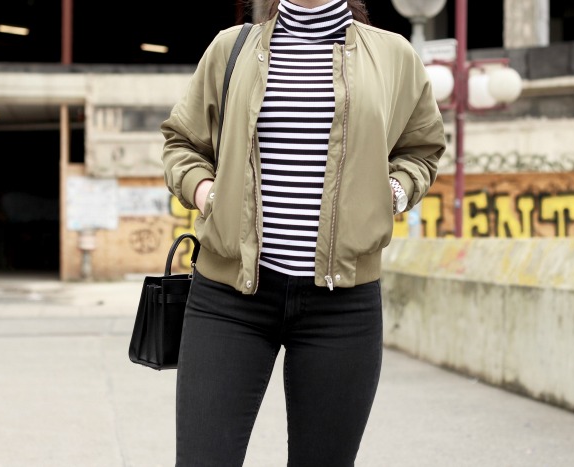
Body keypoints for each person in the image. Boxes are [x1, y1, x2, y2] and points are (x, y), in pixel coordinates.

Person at [160, 0, 446, 465]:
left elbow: (422, 148)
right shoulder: (231, 49)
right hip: (229, 299)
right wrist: (209, 194)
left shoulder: (394, 55)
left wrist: (392, 193)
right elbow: (182, 143)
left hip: (342, 306)